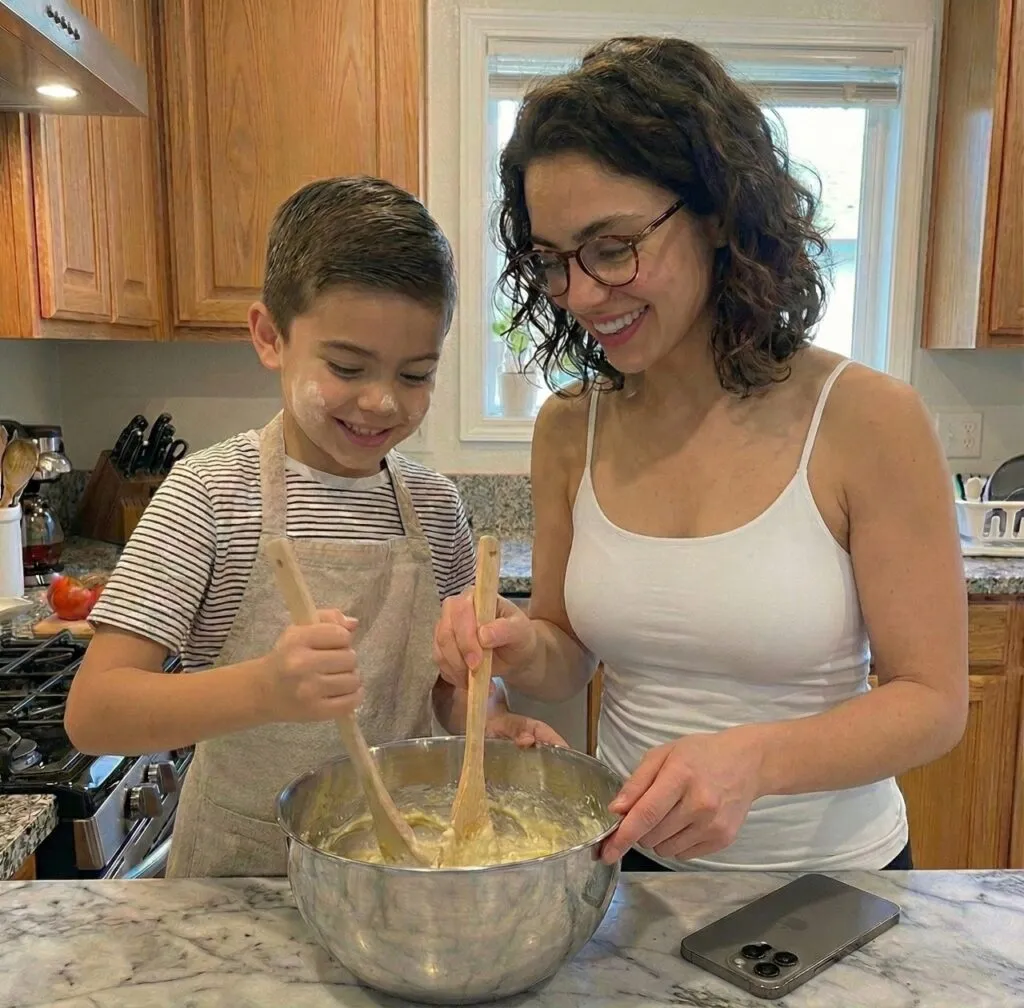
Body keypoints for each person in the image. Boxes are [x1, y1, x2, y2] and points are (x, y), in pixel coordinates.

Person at [434, 37, 968, 872]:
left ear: (719, 213)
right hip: (629, 875)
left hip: (829, 885)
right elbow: (566, 644)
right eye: (552, 262)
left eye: (612, 247)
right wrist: (510, 640)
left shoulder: (868, 419)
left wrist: (753, 760)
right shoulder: (570, 427)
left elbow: (932, 703)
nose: (579, 293)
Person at [66, 176, 564, 878]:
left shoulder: (436, 507)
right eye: (347, 366)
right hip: (244, 882)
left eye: (416, 373)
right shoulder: (209, 497)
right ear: (270, 336)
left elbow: (447, 686)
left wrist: (489, 716)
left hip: (400, 866)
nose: (382, 401)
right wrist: (264, 689)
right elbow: (96, 713)